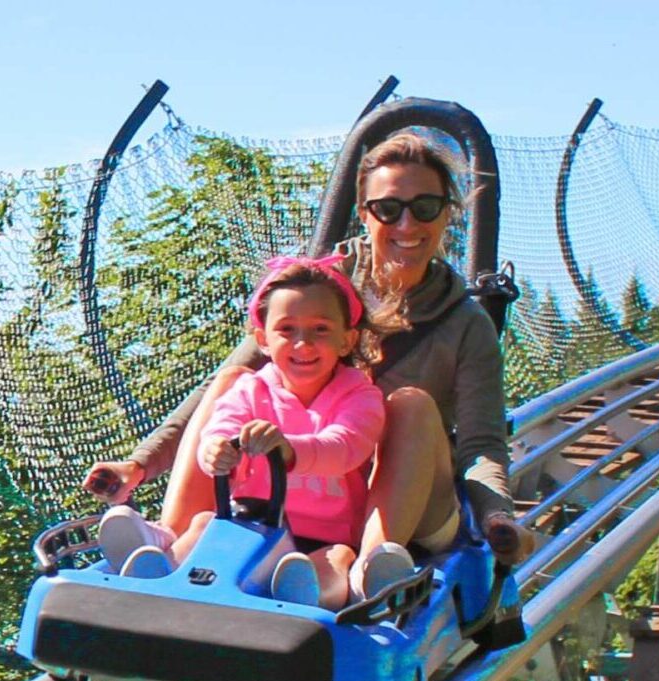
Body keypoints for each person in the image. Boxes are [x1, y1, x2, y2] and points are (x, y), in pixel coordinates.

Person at [85, 131, 532, 597]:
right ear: (364, 214)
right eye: (388, 208)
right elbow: (222, 393)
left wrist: (497, 516)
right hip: (299, 492)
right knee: (238, 378)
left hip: (401, 496)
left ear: (446, 214)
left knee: (409, 404)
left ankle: (371, 567)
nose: (406, 224)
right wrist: (138, 465)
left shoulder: (466, 323)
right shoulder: (314, 292)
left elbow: (482, 443)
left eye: (424, 208)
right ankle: (171, 546)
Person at [97, 256, 384, 610]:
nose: (303, 344)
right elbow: (223, 425)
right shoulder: (251, 389)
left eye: (320, 329)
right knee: (205, 524)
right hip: (250, 527)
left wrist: (288, 450)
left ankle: (306, 594)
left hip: (321, 537)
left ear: (346, 340)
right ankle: (159, 569)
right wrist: (215, 450)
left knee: (337, 559)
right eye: (287, 330)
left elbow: (346, 446)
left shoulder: (359, 394)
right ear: (263, 339)